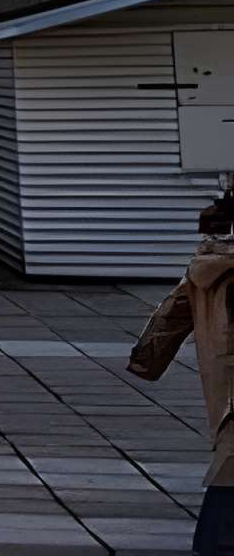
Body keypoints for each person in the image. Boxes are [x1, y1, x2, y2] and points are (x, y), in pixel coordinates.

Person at [131, 191, 234, 550]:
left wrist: (146, 361)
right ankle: (216, 543)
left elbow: (169, 317)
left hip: (221, 377)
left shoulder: (205, 267)